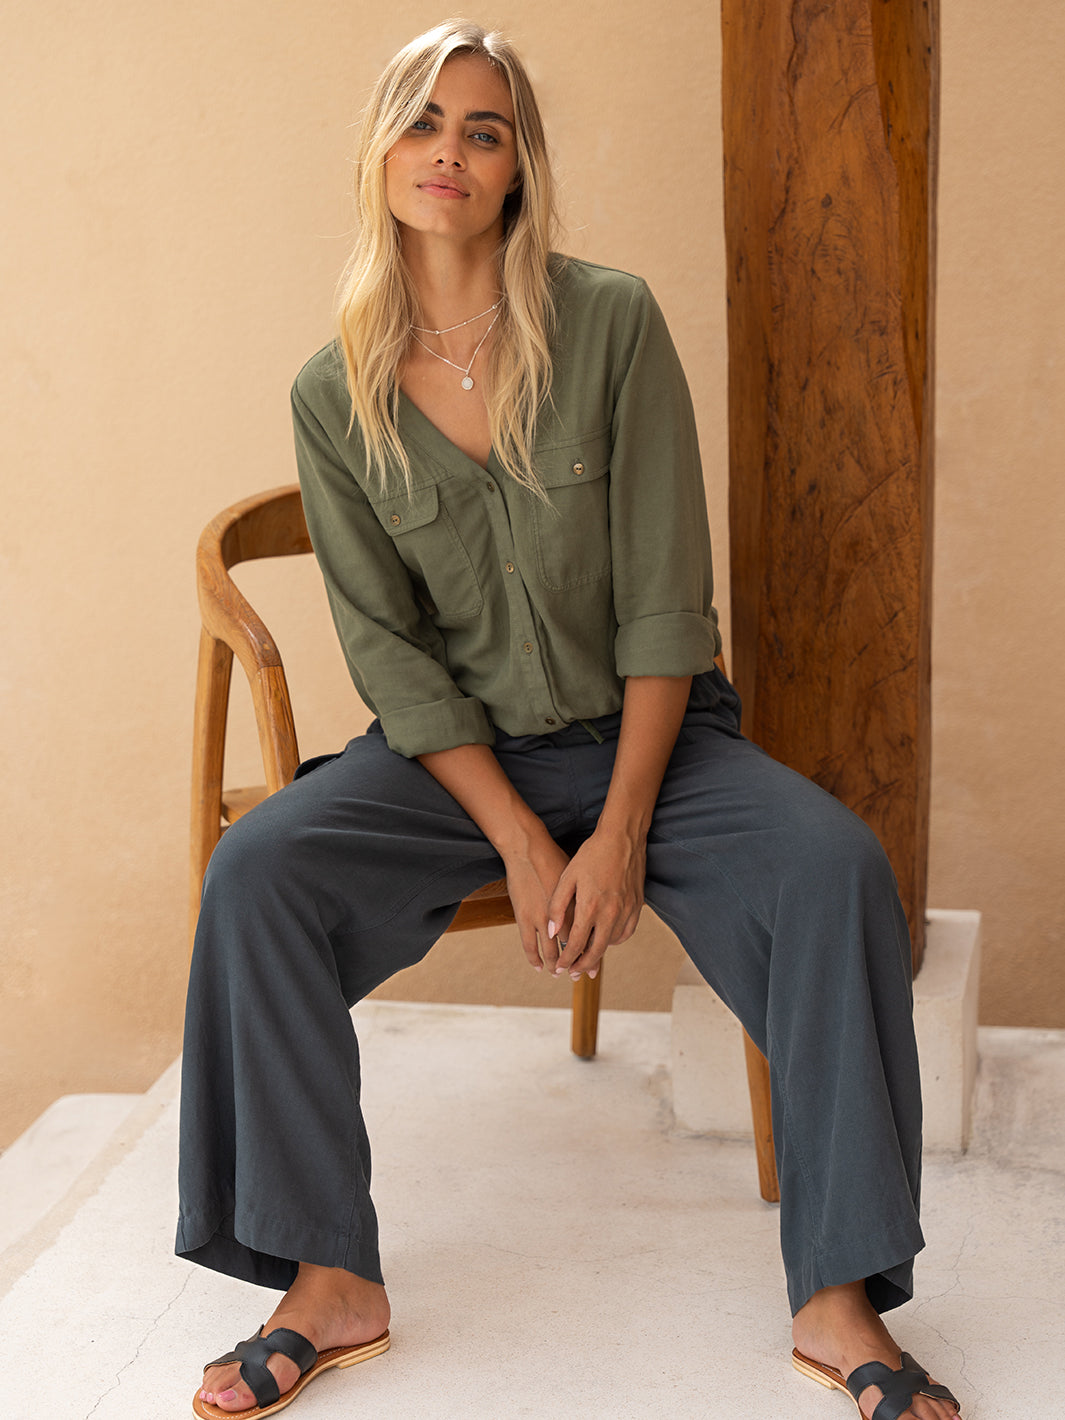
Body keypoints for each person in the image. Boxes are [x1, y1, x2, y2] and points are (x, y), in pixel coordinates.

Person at [179, 20, 962, 1420]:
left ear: (517, 166)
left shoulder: (610, 322)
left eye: (483, 129)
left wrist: (613, 833)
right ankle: (327, 1282)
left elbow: (667, 606)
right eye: (423, 122)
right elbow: (397, 665)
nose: (448, 151)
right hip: (449, 760)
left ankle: (838, 1298)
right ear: (380, 149)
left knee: (834, 865)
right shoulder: (334, 387)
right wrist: (524, 847)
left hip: (650, 735)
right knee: (260, 874)